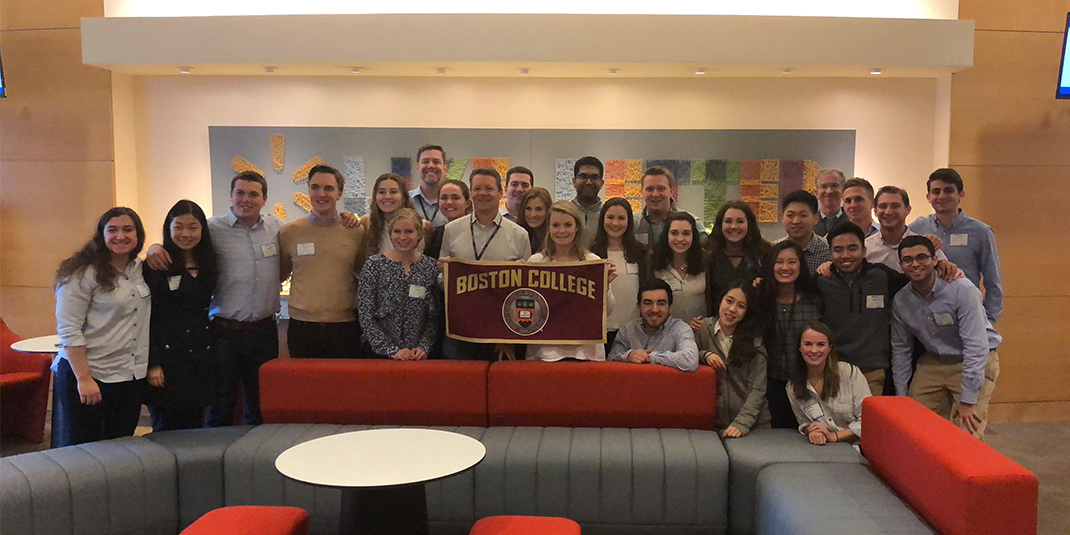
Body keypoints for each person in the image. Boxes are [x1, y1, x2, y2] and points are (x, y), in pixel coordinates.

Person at [52, 207, 150, 446]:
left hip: (129, 376)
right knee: (85, 451)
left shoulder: (141, 269)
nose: (121, 236)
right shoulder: (82, 273)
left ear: (138, 235)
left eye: (128, 229)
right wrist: (84, 379)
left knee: (121, 446)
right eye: (112, 230)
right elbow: (69, 329)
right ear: (101, 234)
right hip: (91, 375)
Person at [892, 235, 1001, 439]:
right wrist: (901, 395)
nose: (915, 264)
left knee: (965, 433)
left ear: (935, 260)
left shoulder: (962, 290)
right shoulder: (901, 300)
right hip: (933, 362)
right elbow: (901, 349)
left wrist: (968, 400)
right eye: (908, 260)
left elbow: (976, 347)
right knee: (915, 428)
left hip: (971, 361)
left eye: (922, 257)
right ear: (901, 265)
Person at [439, 168, 533, 361]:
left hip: (501, 333)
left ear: (500, 192)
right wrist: (446, 275)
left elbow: (526, 290)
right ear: (470, 194)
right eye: (477, 189)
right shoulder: (452, 230)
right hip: (460, 330)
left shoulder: (519, 234)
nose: (482, 194)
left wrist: (510, 335)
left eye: (489, 188)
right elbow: (441, 279)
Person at [144, 200, 217, 432]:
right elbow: (148, 318)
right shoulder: (157, 263)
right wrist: (153, 364)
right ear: (169, 227)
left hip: (200, 358)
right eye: (179, 227)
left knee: (195, 426)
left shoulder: (209, 263)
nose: (186, 234)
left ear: (202, 229)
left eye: (193, 227)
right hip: (167, 359)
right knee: (166, 427)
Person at [279, 165, 365, 359]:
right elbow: (281, 274)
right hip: (302, 326)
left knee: (342, 387)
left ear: (339, 193)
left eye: (329, 188)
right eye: (315, 187)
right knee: (306, 387)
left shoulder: (356, 231)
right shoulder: (290, 232)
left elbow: (363, 274)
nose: (321, 194)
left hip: (344, 326)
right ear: (308, 190)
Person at [815, 222, 908, 397]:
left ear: (864, 251)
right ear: (830, 253)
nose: (845, 255)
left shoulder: (882, 276)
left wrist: (941, 265)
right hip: (834, 368)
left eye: (852, 248)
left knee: (869, 419)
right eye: (838, 250)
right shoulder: (821, 281)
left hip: (873, 368)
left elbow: (916, 280)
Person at [908, 168, 1003, 323]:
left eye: (949, 191)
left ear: (961, 195)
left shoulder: (980, 232)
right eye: (936, 191)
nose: (942, 196)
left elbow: (993, 280)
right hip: (925, 319)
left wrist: (989, 319)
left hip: (966, 316)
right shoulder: (916, 228)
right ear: (928, 197)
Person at [526, 201, 617, 362]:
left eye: (568, 225)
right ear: (548, 228)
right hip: (545, 353)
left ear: (577, 227)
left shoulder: (592, 262)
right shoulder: (536, 263)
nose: (562, 231)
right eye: (555, 225)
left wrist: (605, 286)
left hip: (586, 352)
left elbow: (607, 312)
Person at [358, 208, 440, 360]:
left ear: (419, 235)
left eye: (409, 231)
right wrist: (391, 350)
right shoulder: (374, 265)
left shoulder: (430, 267)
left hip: (418, 356)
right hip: (379, 355)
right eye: (397, 231)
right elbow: (365, 315)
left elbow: (433, 316)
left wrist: (424, 346)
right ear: (390, 234)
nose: (402, 237)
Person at [757, 240, 823, 429]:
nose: (785, 267)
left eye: (792, 262)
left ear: (801, 266)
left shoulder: (815, 300)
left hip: (806, 385)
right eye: (779, 262)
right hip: (768, 385)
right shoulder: (760, 299)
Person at [694, 280, 772, 437]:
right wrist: (705, 355)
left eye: (741, 306)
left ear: (747, 312)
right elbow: (685, 355)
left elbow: (757, 390)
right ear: (720, 300)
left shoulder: (754, 342)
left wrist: (741, 424)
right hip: (714, 423)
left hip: (753, 425)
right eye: (729, 301)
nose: (732, 309)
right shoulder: (702, 330)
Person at [787, 321, 871, 445]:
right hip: (825, 450)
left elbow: (868, 421)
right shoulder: (793, 387)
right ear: (799, 348)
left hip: (860, 447)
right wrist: (810, 430)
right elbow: (803, 422)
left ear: (829, 348)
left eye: (821, 344)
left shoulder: (850, 373)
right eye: (808, 344)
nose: (814, 350)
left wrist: (835, 436)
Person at [590, 197, 649, 351]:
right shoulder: (591, 253)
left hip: (634, 329)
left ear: (629, 221)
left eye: (621, 218)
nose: (615, 223)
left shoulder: (640, 252)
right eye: (610, 217)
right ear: (602, 220)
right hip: (601, 330)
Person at [608, 279, 698, 372]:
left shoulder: (681, 329)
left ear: (670, 308)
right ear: (639, 307)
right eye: (648, 303)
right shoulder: (628, 329)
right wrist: (628, 356)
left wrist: (649, 357)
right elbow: (610, 359)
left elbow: (690, 360)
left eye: (661, 303)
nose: (654, 309)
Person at [866, 185, 949, 271]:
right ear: (875, 211)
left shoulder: (925, 246)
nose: (888, 212)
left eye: (895, 206)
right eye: (883, 206)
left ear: (908, 210)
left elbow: (949, 274)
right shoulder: (866, 248)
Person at [704, 200, 769, 301]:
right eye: (728, 221)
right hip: (716, 316)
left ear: (749, 224)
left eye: (740, 221)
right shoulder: (706, 254)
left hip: (755, 315)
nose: (734, 226)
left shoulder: (764, 253)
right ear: (720, 224)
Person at [360, 173, 433, 261]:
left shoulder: (424, 227)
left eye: (393, 192)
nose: (387, 196)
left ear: (404, 197)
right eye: (382, 192)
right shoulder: (366, 223)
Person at [652, 212, 708, 323]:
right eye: (674, 233)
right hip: (665, 332)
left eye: (686, 233)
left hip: (700, 332)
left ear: (694, 236)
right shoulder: (654, 260)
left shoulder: (705, 259)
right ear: (666, 235)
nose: (680, 239)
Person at [633, 166, 707, 246]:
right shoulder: (632, 223)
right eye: (649, 189)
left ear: (671, 191)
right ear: (642, 192)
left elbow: (706, 252)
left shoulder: (692, 223)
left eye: (661, 189)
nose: (655, 194)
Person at [778, 190, 831, 276]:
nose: (796, 221)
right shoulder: (773, 249)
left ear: (815, 218)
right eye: (790, 215)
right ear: (782, 218)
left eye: (803, 215)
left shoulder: (828, 251)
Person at [423, 179, 470, 259]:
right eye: (444, 198)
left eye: (455, 198)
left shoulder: (475, 230)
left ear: (467, 203)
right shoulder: (436, 234)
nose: (449, 202)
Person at [409, 144, 450, 227]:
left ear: (445, 168)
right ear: (417, 167)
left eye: (436, 162)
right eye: (425, 161)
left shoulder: (453, 202)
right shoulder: (406, 199)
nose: (431, 165)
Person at [570, 156, 605, 243]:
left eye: (594, 177)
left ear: (601, 183)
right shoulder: (564, 211)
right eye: (583, 176)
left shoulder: (608, 214)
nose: (589, 182)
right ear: (574, 181)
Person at [813, 169, 849, 237]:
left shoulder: (852, 222)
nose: (829, 191)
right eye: (824, 186)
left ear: (843, 191)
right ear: (816, 193)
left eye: (834, 185)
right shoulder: (809, 223)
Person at [518, 187, 552, 255]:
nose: (533, 214)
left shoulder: (554, 239)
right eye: (528, 208)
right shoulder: (518, 235)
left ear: (548, 210)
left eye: (538, 209)